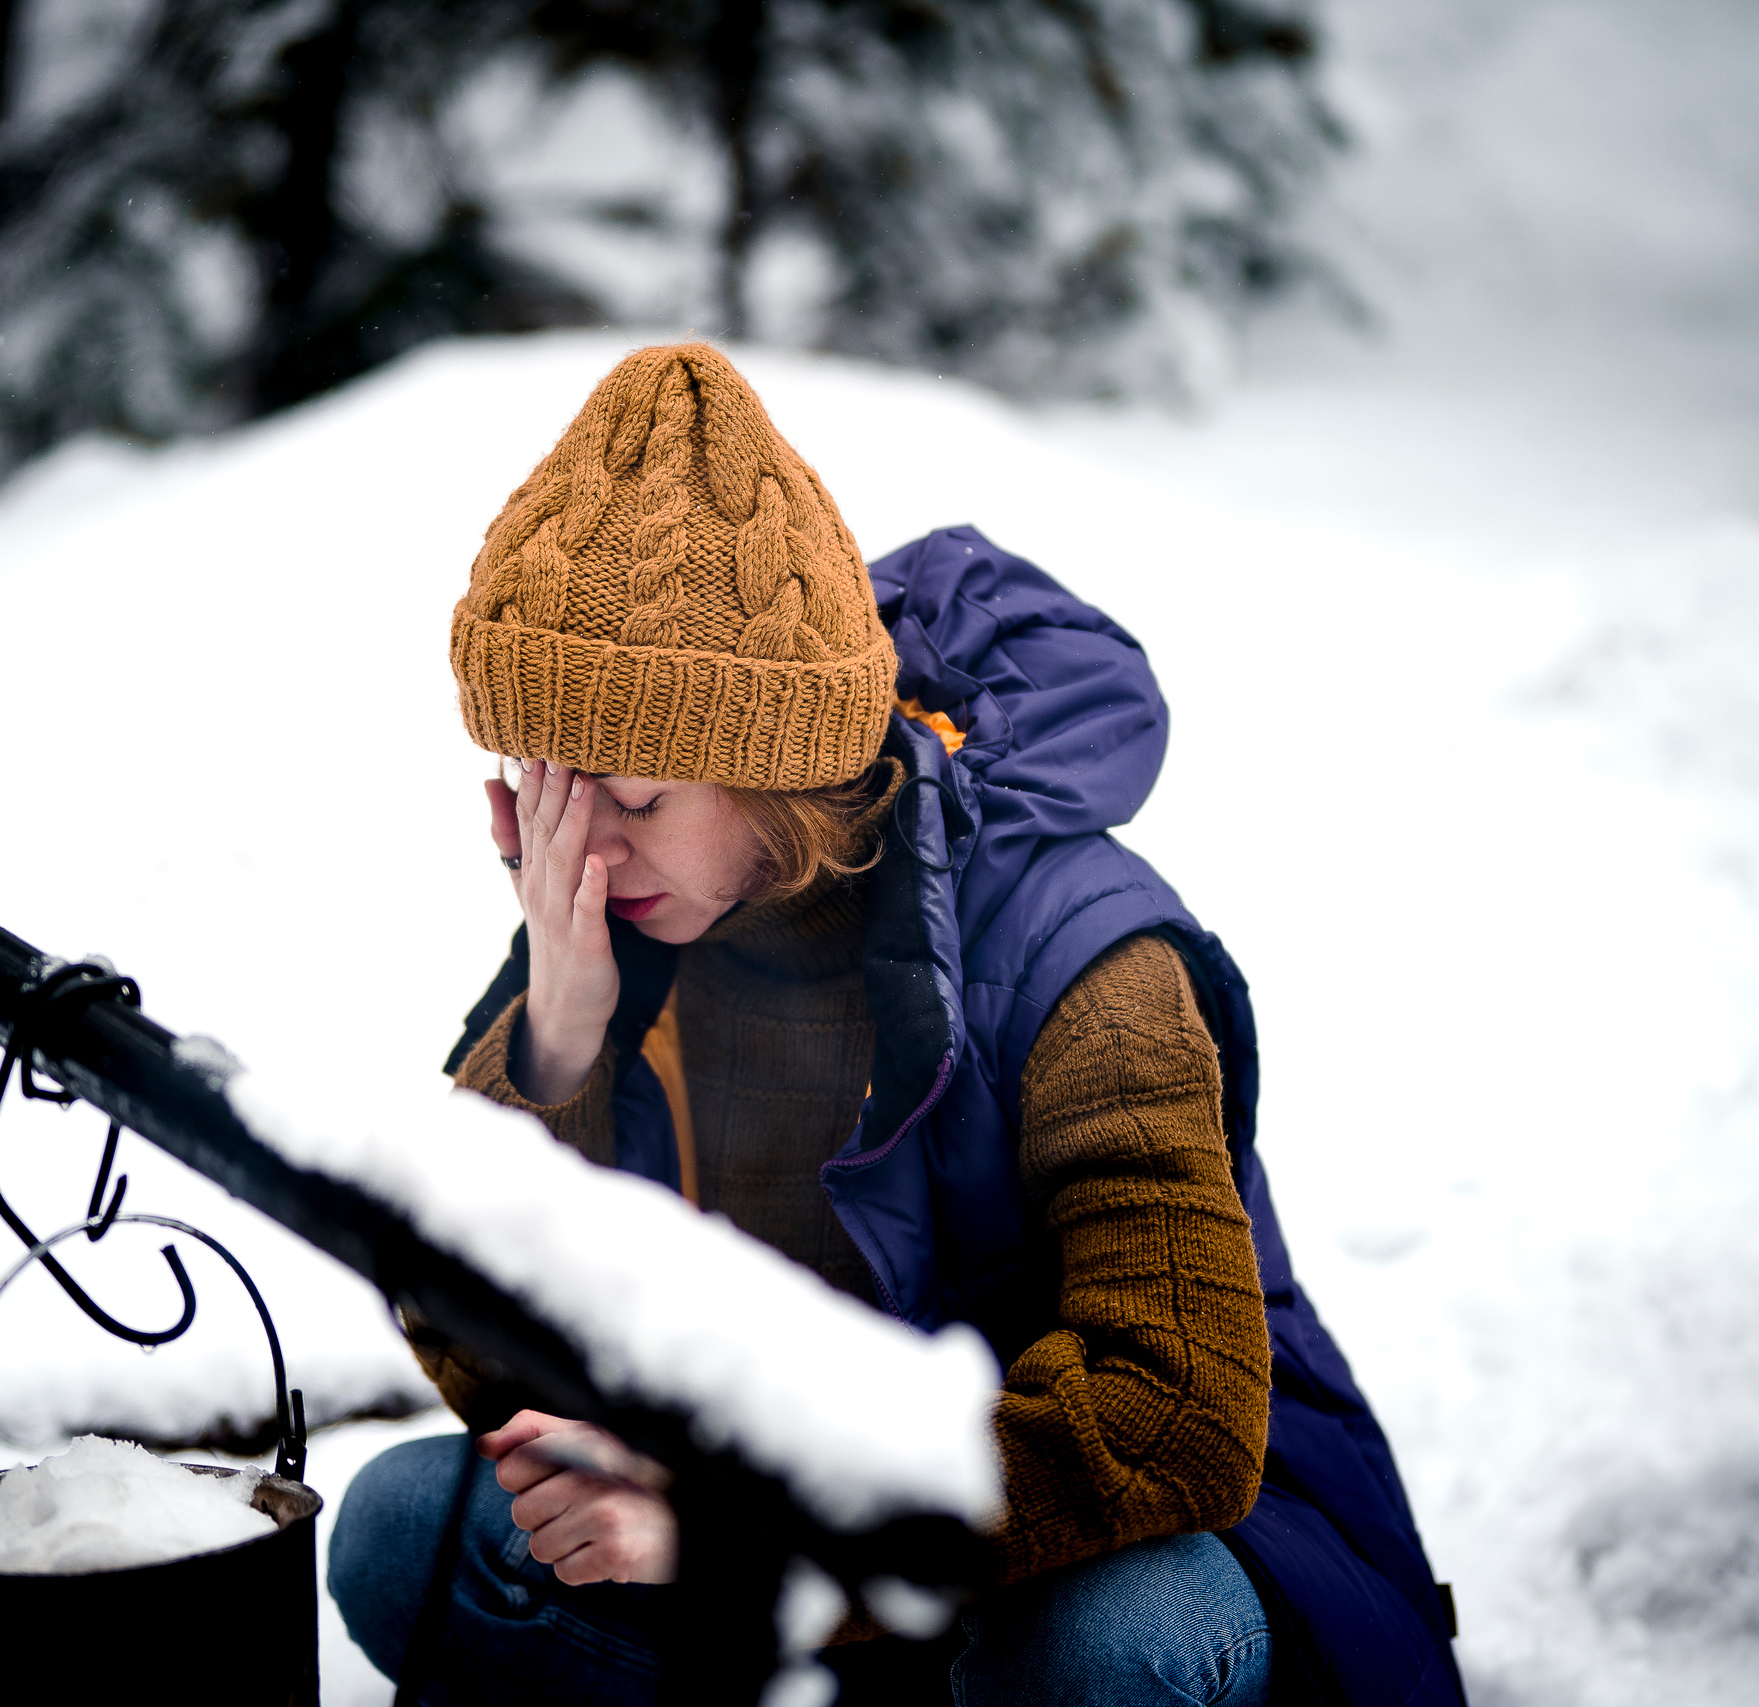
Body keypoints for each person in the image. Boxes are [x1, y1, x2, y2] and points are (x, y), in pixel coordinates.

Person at [326, 343, 1464, 1706]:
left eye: (630, 795)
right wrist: (557, 1045)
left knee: (1102, 1643)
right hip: (828, 1577)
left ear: (778, 767)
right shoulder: (629, 921)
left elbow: (1178, 1414)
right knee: (411, 1526)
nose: (582, 850)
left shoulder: (1082, 953)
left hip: (1107, 1558)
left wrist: (752, 1536)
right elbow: (499, 1375)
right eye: (549, 792)